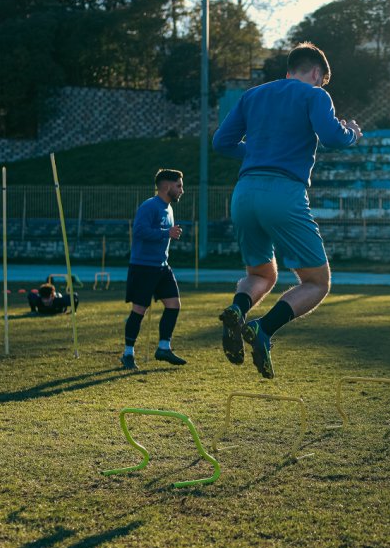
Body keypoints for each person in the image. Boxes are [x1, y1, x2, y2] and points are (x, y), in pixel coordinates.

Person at [212, 42, 362, 379]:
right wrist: (352, 132)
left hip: (245, 192)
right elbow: (333, 138)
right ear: (316, 73)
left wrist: (258, 152)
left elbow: (220, 143)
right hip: (283, 192)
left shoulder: (253, 95)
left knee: (261, 274)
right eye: (322, 80)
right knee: (317, 282)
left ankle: (238, 309)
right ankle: (263, 328)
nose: (322, 86)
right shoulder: (315, 95)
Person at [120, 169, 187, 370]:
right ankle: (128, 353)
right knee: (139, 310)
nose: (182, 190)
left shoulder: (169, 208)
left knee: (174, 305)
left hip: (162, 266)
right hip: (143, 267)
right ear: (167, 186)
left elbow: (162, 234)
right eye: (179, 185)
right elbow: (139, 231)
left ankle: (163, 348)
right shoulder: (149, 206)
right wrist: (167, 232)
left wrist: (169, 234)